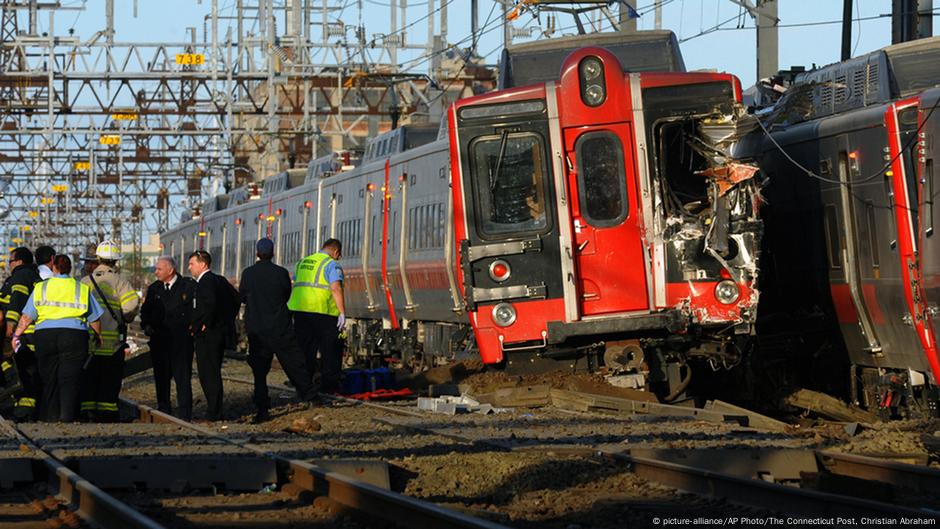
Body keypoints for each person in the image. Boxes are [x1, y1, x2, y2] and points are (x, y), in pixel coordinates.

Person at [13, 255, 104, 422]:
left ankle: (50, 416)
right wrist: (98, 336)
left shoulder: (41, 288)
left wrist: (16, 335)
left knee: (48, 377)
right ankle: (67, 416)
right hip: (74, 337)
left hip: (45, 337)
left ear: (53, 267)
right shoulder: (81, 288)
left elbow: (27, 316)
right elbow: (94, 318)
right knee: (69, 377)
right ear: (70, 269)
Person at [240, 239, 317, 422]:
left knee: (259, 371)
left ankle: (262, 408)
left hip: (257, 329)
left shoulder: (248, 274)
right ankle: (310, 396)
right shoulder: (281, 273)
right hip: (280, 326)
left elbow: (242, 296)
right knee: (294, 362)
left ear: (257, 253)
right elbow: (286, 294)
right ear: (273, 253)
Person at [79, 240, 140, 422]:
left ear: (98, 258)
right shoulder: (120, 282)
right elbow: (131, 306)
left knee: (89, 378)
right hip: (112, 344)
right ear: (116, 261)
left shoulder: (84, 282)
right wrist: (124, 318)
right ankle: (107, 413)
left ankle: (88, 411)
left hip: (90, 343)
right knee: (109, 379)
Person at [288, 238, 346, 393]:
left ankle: (304, 386)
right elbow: (336, 288)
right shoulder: (331, 264)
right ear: (336, 252)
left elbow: (295, 283)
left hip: (301, 312)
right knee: (330, 351)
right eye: (338, 255)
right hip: (324, 313)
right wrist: (342, 312)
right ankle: (329, 387)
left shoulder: (302, 262)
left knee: (305, 350)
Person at [140, 256, 195, 420]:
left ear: (171, 270)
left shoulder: (187, 286)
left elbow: (194, 310)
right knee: (161, 376)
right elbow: (145, 311)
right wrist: (147, 325)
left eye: (159, 269)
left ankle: (185, 412)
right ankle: (164, 408)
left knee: (182, 377)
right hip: (160, 340)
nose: (156, 272)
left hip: (181, 341)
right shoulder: (154, 289)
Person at [0, 248, 42, 420]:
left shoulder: (21, 276)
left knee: (23, 372)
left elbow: (16, 302)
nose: (9, 265)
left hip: (21, 333)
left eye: (10, 261)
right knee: (27, 371)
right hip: (30, 333)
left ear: (18, 261)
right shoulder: (33, 276)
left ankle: (24, 411)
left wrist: (10, 327)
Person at [188, 250, 227, 421]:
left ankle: (214, 411)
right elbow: (233, 299)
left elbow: (209, 304)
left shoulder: (206, 282)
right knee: (211, 371)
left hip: (208, 335)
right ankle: (214, 409)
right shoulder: (218, 280)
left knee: (208, 372)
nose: (189, 268)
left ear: (202, 264)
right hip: (215, 332)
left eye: (192, 264)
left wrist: (205, 324)